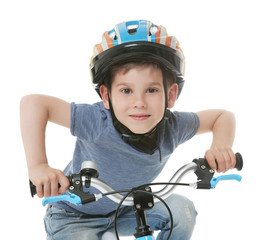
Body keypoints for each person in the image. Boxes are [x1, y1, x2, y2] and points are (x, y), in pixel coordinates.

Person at [20, 20, 236, 240]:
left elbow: (222, 117)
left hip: (124, 208)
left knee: (184, 211)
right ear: (106, 96)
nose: (139, 102)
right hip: (73, 215)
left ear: (170, 95)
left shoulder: (173, 127)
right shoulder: (96, 121)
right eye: (126, 91)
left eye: (151, 90)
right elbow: (33, 104)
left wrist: (221, 146)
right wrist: (38, 166)